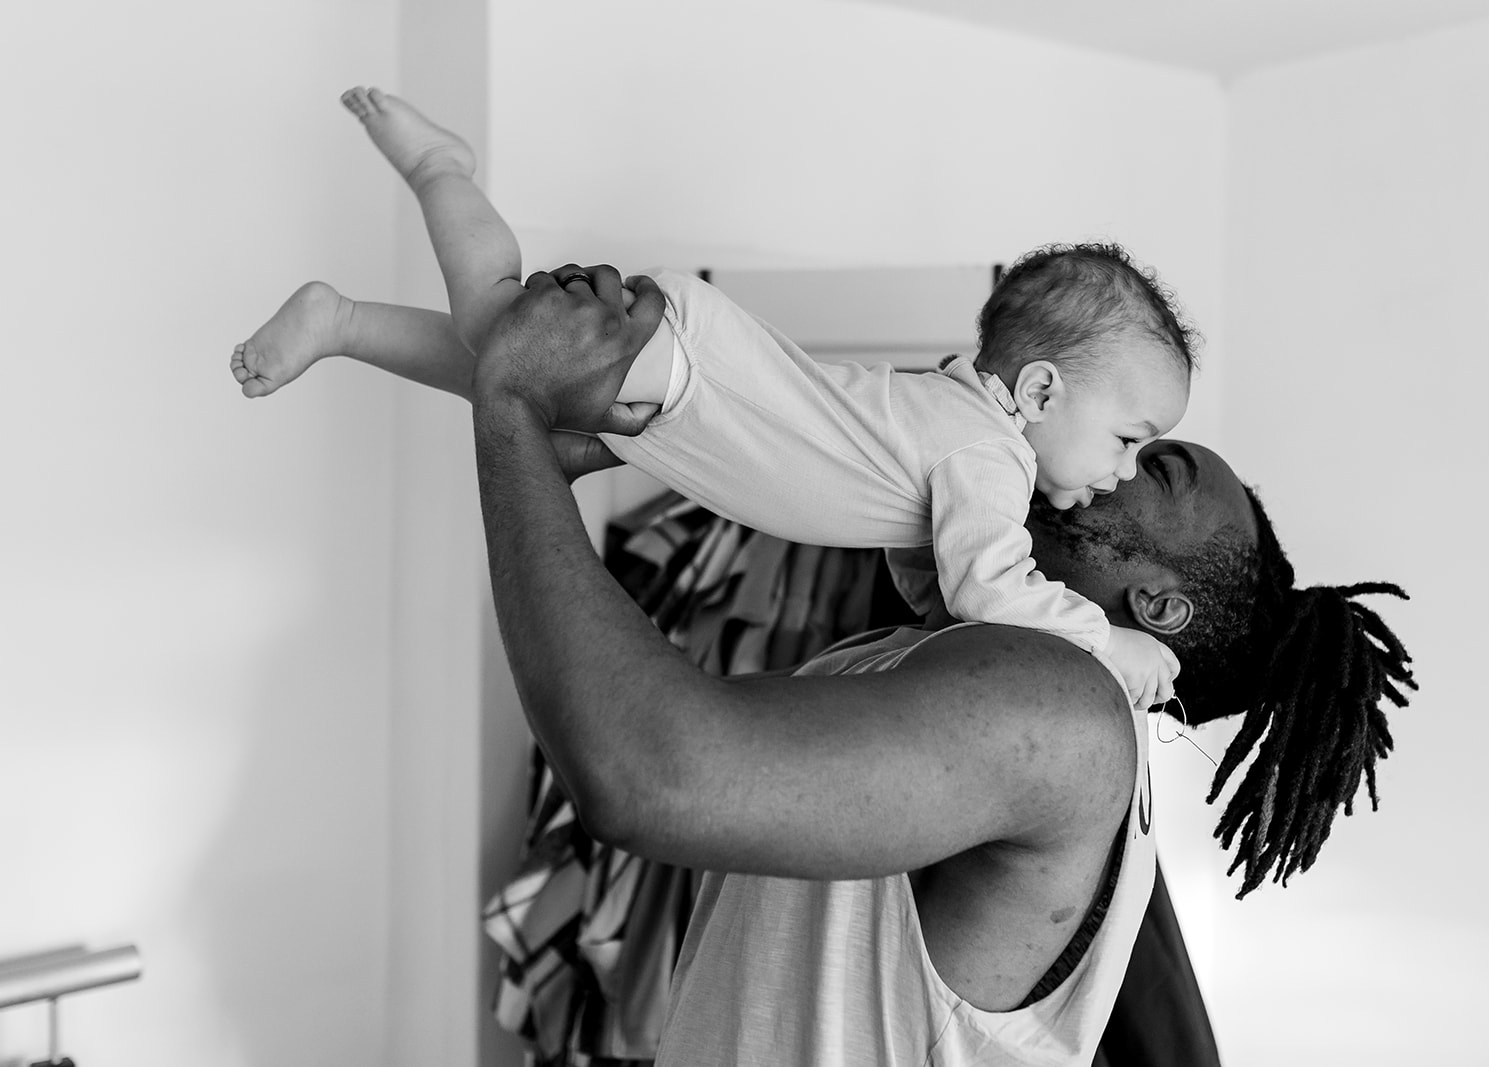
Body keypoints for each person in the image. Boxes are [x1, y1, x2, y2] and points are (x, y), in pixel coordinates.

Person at [453, 263, 1415, 1063]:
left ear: (1158, 607)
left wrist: (511, 420)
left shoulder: (1060, 704)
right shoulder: (944, 645)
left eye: (1150, 461)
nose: (1116, 459)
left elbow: (648, 773)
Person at [231, 87, 1190, 709]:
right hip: (685, 373)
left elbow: (929, 572)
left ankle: (349, 325)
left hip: (680, 387)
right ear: (1040, 388)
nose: (1121, 471)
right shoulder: (985, 455)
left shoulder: (951, 421)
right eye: (1127, 439)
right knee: (494, 319)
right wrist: (1108, 641)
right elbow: (994, 587)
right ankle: (442, 171)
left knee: (499, 372)